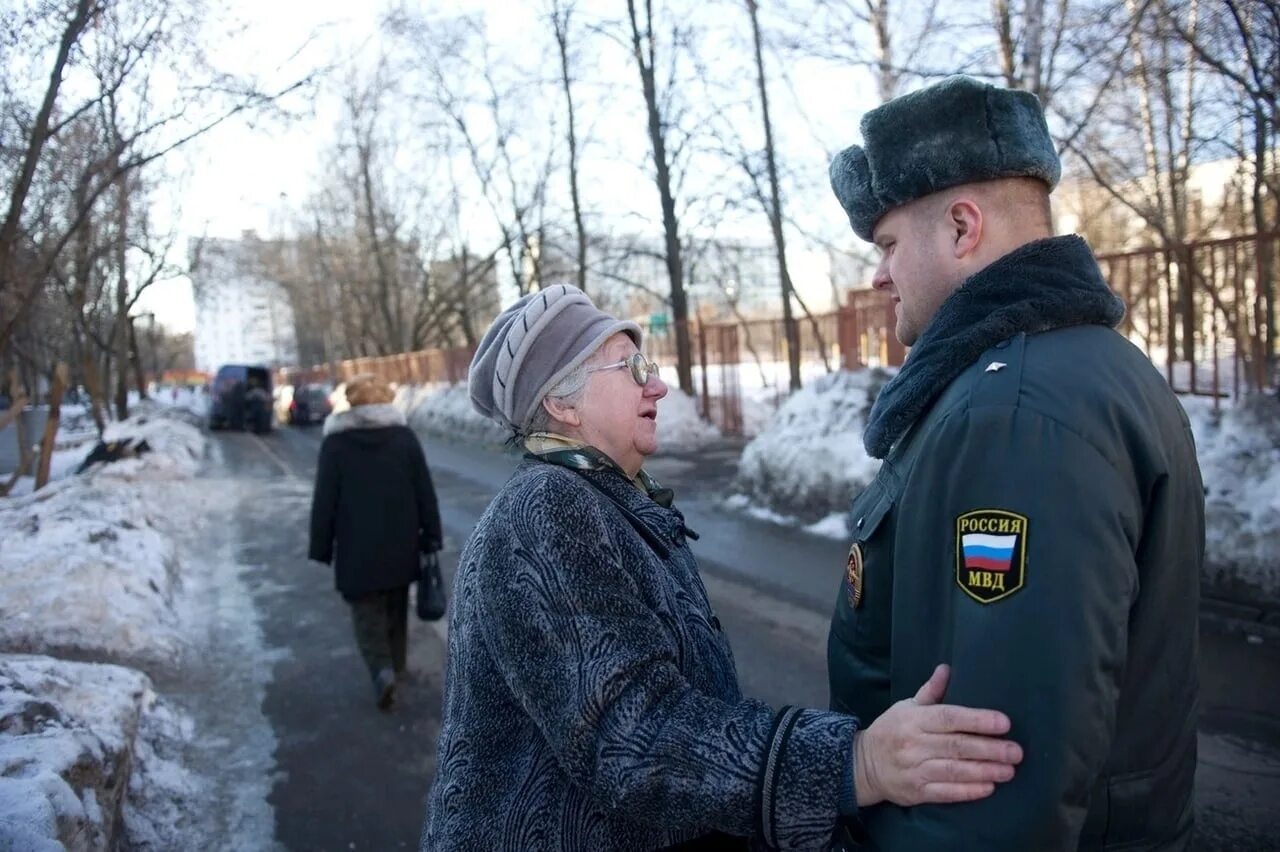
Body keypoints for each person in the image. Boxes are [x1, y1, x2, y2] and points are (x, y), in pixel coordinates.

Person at [422, 284, 1024, 851]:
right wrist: (856, 763)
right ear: (560, 403)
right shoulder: (546, 511)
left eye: (649, 366)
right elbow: (636, 740)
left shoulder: (608, 500)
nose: (656, 386)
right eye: (632, 370)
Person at [825, 76, 1204, 850]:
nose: (879, 274)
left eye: (890, 244)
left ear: (963, 227)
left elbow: (996, 772)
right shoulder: (1080, 369)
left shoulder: (1017, 413)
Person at [308, 375, 443, 710]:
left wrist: (321, 546)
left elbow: (325, 499)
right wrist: (432, 535)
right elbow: (423, 490)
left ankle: (381, 670)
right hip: (401, 543)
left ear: (352, 403)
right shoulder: (404, 438)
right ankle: (396, 665)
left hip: (356, 549)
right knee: (396, 607)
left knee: (366, 615)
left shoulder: (336, 443)